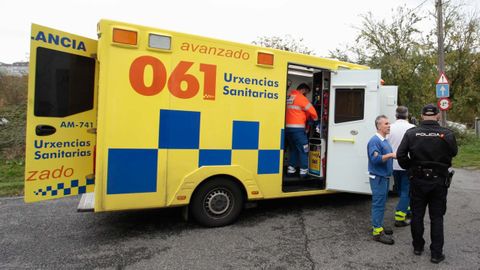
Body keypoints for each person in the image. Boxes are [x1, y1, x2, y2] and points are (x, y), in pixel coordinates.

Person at [397, 104, 458, 264]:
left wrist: (410, 167)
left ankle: (418, 247)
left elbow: (400, 154)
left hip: (417, 179)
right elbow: (454, 152)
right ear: (438, 115)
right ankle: (436, 254)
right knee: (437, 217)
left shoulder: (411, 133)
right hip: (439, 181)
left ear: (422, 116)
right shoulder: (447, 134)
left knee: (417, 215)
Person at [367, 115, 396, 244]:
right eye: (386, 124)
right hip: (378, 178)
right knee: (378, 204)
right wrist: (391, 155)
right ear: (379, 126)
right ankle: (377, 233)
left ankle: (378, 225)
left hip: (384, 177)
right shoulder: (374, 141)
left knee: (382, 203)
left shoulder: (384, 140)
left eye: (389, 123)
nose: (389, 125)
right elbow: (375, 159)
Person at [387, 106, 415, 227]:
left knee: (400, 190)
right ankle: (400, 216)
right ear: (407, 115)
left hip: (393, 163)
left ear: (396, 115)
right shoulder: (413, 128)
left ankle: (407, 208)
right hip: (407, 164)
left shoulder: (390, 128)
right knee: (406, 191)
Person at [285, 83, 318, 178]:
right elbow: (313, 111)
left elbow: (297, 111)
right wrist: (316, 122)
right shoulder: (301, 98)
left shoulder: (288, 97)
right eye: (306, 93)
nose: (306, 95)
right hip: (298, 130)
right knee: (304, 150)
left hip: (287, 129)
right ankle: (303, 171)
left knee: (294, 149)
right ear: (303, 90)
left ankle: (291, 170)